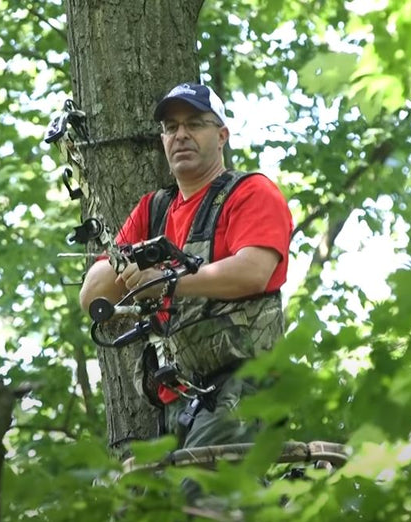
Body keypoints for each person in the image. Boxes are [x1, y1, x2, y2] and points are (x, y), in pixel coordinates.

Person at [79, 82, 294, 451]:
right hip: (175, 402)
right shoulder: (154, 209)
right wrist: (130, 268)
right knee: (160, 508)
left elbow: (253, 271)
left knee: (205, 500)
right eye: (170, 128)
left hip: (242, 388)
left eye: (195, 124)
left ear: (222, 135)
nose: (180, 135)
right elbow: (93, 295)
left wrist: (164, 280)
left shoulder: (251, 192)